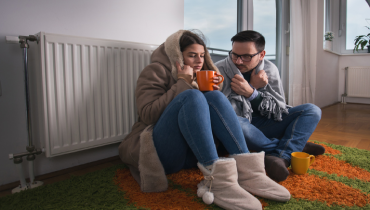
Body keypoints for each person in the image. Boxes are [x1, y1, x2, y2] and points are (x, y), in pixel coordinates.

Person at [118, 30, 291, 210]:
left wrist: (209, 90)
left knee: (215, 96)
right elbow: (147, 115)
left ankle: (250, 173)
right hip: (162, 152)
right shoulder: (156, 70)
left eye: (202, 55)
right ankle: (217, 182)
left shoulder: (200, 72)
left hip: (191, 154)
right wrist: (183, 83)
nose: (199, 61)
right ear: (177, 56)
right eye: (192, 56)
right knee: (192, 96)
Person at [215, 30, 325, 182]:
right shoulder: (218, 70)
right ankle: (292, 147)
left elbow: (278, 109)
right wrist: (252, 87)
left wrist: (252, 93)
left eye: (246, 56)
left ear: (261, 55)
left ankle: (282, 155)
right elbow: (221, 112)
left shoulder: (270, 69)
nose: (238, 61)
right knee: (237, 123)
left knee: (312, 110)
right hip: (240, 126)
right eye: (234, 54)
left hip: (266, 123)